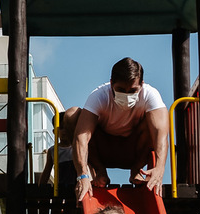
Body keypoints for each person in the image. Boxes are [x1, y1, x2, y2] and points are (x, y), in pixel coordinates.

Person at [72, 57, 168, 201]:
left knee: (156, 123)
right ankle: (100, 171)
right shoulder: (99, 96)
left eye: (133, 90)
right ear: (111, 83)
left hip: (133, 151)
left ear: (141, 84)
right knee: (74, 115)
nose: (127, 95)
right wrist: (83, 175)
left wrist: (159, 169)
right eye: (121, 90)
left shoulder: (150, 94)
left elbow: (161, 135)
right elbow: (81, 138)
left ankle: (136, 170)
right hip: (103, 151)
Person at [40, 105, 80, 188]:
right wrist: (40, 187)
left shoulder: (77, 147)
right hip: (60, 188)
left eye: (67, 128)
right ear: (54, 131)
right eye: (61, 128)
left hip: (76, 186)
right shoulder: (53, 150)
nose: (64, 131)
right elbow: (47, 171)